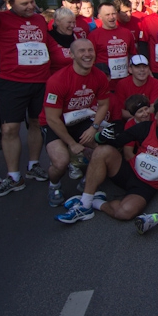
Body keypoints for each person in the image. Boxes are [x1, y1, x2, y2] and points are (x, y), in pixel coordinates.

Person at [0, 0, 58, 196]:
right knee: (10, 129)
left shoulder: (39, 20)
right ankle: (13, 176)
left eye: (32, 2)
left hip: (40, 81)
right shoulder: (0, 19)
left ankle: (33, 165)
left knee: (37, 123)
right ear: (10, 4)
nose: (31, 7)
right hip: (12, 82)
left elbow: (49, 46)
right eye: (24, 4)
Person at [56, 96, 158, 223]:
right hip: (130, 171)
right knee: (102, 151)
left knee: (125, 213)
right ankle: (85, 205)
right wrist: (101, 137)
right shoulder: (144, 127)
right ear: (155, 115)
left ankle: (96, 202)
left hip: (147, 186)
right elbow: (117, 141)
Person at [40, 39, 110, 207]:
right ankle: (54, 185)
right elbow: (51, 118)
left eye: (90, 50)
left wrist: (94, 128)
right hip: (55, 123)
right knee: (61, 161)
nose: (87, 54)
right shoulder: (58, 80)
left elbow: (104, 104)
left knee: (101, 150)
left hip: (80, 119)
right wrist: (71, 143)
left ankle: (87, 180)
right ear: (71, 54)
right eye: (81, 51)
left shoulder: (99, 76)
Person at [89, 2, 137, 89]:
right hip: (105, 83)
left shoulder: (126, 33)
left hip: (125, 81)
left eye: (113, 14)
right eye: (107, 15)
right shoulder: (94, 36)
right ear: (100, 17)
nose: (111, 17)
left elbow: (132, 54)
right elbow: (91, 59)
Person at [115, 55, 158, 120]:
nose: (142, 70)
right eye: (137, 67)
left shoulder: (155, 82)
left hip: (148, 118)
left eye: (145, 67)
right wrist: (137, 117)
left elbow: (154, 106)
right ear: (130, 69)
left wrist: (141, 116)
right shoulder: (122, 84)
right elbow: (121, 111)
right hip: (130, 119)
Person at [48, 7, 80, 74]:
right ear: (57, 22)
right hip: (56, 78)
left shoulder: (76, 37)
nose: (72, 25)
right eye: (69, 22)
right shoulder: (48, 38)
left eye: (74, 22)